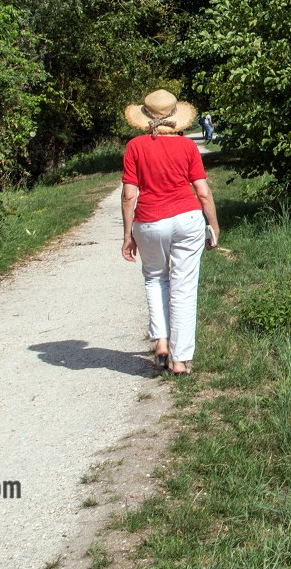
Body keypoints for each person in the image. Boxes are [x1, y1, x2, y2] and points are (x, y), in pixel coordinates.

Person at [121, 90, 219, 375]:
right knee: (184, 287)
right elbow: (202, 191)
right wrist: (212, 223)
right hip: (187, 219)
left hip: (150, 221)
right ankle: (180, 360)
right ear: (175, 118)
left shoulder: (135, 147)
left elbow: (129, 196)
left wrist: (129, 236)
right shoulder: (187, 148)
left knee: (155, 279)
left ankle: (162, 344)